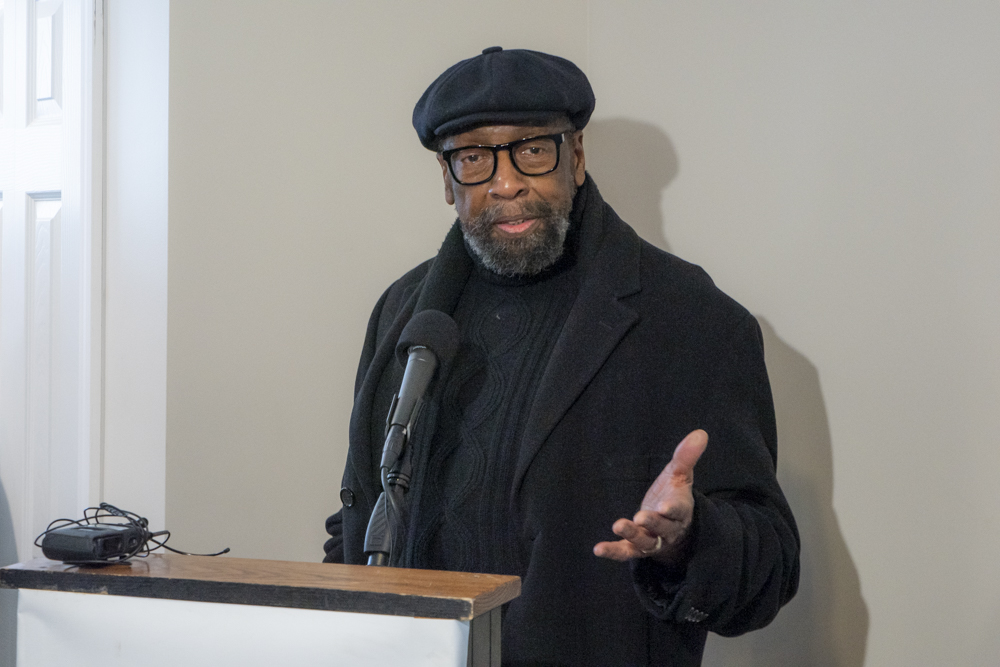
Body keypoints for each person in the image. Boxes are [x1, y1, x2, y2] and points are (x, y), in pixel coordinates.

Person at [324, 46, 799, 667]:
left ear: (575, 155)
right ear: (447, 178)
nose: (506, 182)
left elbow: (770, 566)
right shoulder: (403, 314)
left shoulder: (691, 317)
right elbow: (361, 514)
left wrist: (689, 538)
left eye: (531, 150)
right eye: (474, 157)